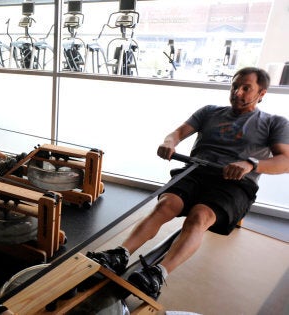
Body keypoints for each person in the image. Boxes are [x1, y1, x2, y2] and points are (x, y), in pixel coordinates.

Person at [86, 67, 289, 299]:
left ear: (261, 93)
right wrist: (169, 143)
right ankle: (120, 254)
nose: (237, 92)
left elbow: (285, 161)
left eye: (246, 88)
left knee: (199, 217)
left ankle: (158, 274)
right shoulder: (210, 112)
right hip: (196, 171)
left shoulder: (274, 122)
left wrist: (251, 164)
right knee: (165, 206)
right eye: (235, 86)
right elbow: (178, 133)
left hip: (234, 183)